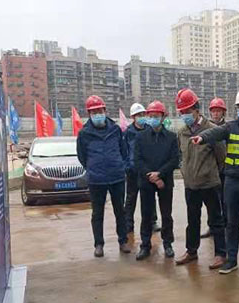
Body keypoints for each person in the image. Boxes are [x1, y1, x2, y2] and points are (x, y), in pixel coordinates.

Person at [191, 87, 239, 274]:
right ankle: (232, 260)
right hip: (233, 183)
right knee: (231, 224)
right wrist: (201, 137)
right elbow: (215, 133)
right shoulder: (231, 127)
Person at [174, 89, 227, 269]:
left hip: (209, 184)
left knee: (216, 220)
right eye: (182, 112)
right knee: (192, 220)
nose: (185, 115)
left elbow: (221, 157)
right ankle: (191, 251)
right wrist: (185, 172)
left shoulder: (212, 130)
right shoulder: (182, 132)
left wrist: (209, 172)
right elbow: (181, 155)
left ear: (197, 109)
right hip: (190, 185)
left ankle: (220, 254)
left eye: (187, 111)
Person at [77, 95, 132, 257]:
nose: (97, 114)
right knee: (97, 213)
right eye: (94, 112)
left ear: (105, 111)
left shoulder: (115, 129)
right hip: (96, 179)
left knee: (120, 211)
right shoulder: (84, 133)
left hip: (116, 177)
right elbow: (82, 156)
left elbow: (124, 150)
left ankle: (123, 241)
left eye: (100, 111)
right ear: (89, 114)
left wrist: (120, 165)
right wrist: (92, 167)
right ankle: (99, 244)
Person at [134, 100, 179, 260]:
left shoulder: (171, 137)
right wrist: (151, 176)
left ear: (163, 117)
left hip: (165, 180)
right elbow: (138, 160)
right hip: (146, 181)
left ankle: (168, 244)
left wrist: (160, 174)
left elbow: (175, 160)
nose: (153, 118)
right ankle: (145, 245)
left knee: (166, 214)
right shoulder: (141, 137)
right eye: (151, 116)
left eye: (156, 116)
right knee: (146, 214)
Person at [123, 102, 159, 235]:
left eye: (143, 114)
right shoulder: (127, 133)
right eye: (139, 115)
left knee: (150, 198)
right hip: (133, 171)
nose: (141, 117)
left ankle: (152, 222)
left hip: (147, 170)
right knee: (131, 198)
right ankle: (128, 224)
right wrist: (128, 167)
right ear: (133, 117)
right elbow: (124, 152)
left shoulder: (150, 130)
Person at [200, 97, 228, 239]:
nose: (216, 114)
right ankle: (212, 226)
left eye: (218, 111)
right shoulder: (206, 129)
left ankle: (225, 227)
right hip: (210, 171)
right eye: (214, 111)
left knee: (225, 201)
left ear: (223, 112)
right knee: (211, 202)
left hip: (224, 171)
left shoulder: (228, 128)